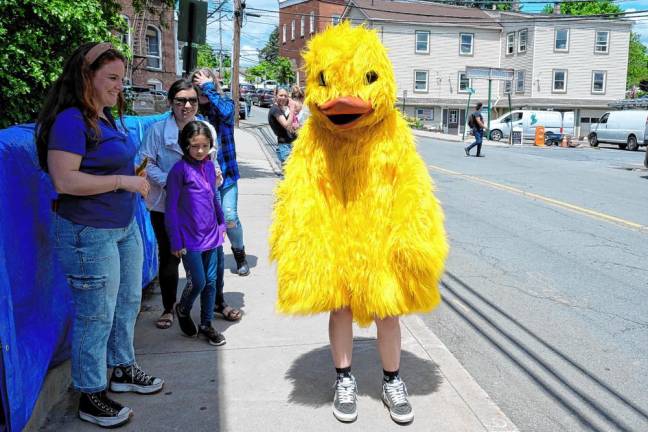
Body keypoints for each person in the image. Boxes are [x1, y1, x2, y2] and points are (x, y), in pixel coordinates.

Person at [35, 42, 164, 428]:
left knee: (126, 303)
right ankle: (90, 394)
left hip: (121, 225)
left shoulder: (104, 118)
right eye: (111, 78)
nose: (119, 86)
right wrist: (122, 181)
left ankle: (122, 368)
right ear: (85, 76)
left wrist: (130, 179)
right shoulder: (71, 121)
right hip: (87, 233)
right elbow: (64, 179)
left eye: (122, 79)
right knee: (96, 316)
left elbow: (105, 167)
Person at [139, 79, 220, 330]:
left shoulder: (205, 127)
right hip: (166, 205)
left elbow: (212, 161)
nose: (187, 105)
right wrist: (170, 182)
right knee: (170, 257)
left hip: (198, 213)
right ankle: (169, 307)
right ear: (170, 103)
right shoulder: (156, 130)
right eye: (180, 100)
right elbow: (144, 163)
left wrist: (216, 175)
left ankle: (215, 306)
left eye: (192, 100)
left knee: (209, 265)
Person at [165, 121, 228, 345]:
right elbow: (170, 208)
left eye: (204, 145)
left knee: (212, 282)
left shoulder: (210, 166)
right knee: (198, 282)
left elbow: (213, 197)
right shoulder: (179, 171)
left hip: (212, 235)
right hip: (189, 239)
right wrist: (175, 240)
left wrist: (221, 225)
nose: (200, 151)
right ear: (185, 145)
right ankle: (182, 308)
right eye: (194, 146)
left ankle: (206, 324)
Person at [192, 68, 250, 286]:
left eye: (205, 83)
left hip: (226, 174)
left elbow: (227, 114)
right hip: (202, 178)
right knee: (207, 223)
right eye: (199, 84)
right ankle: (210, 267)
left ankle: (239, 255)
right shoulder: (194, 111)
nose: (202, 88)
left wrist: (209, 87)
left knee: (229, 216)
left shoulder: (224, 104)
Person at [268, 87, 296, 165]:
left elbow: (290, 128)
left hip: (291, 145)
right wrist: (292, 109)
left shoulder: (282, 109)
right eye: (281, 95)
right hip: (285, 146)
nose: (283, 98)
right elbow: (286, 125)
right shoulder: (275, 109)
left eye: (285, 96)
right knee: (289, 173)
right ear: (276, 96)